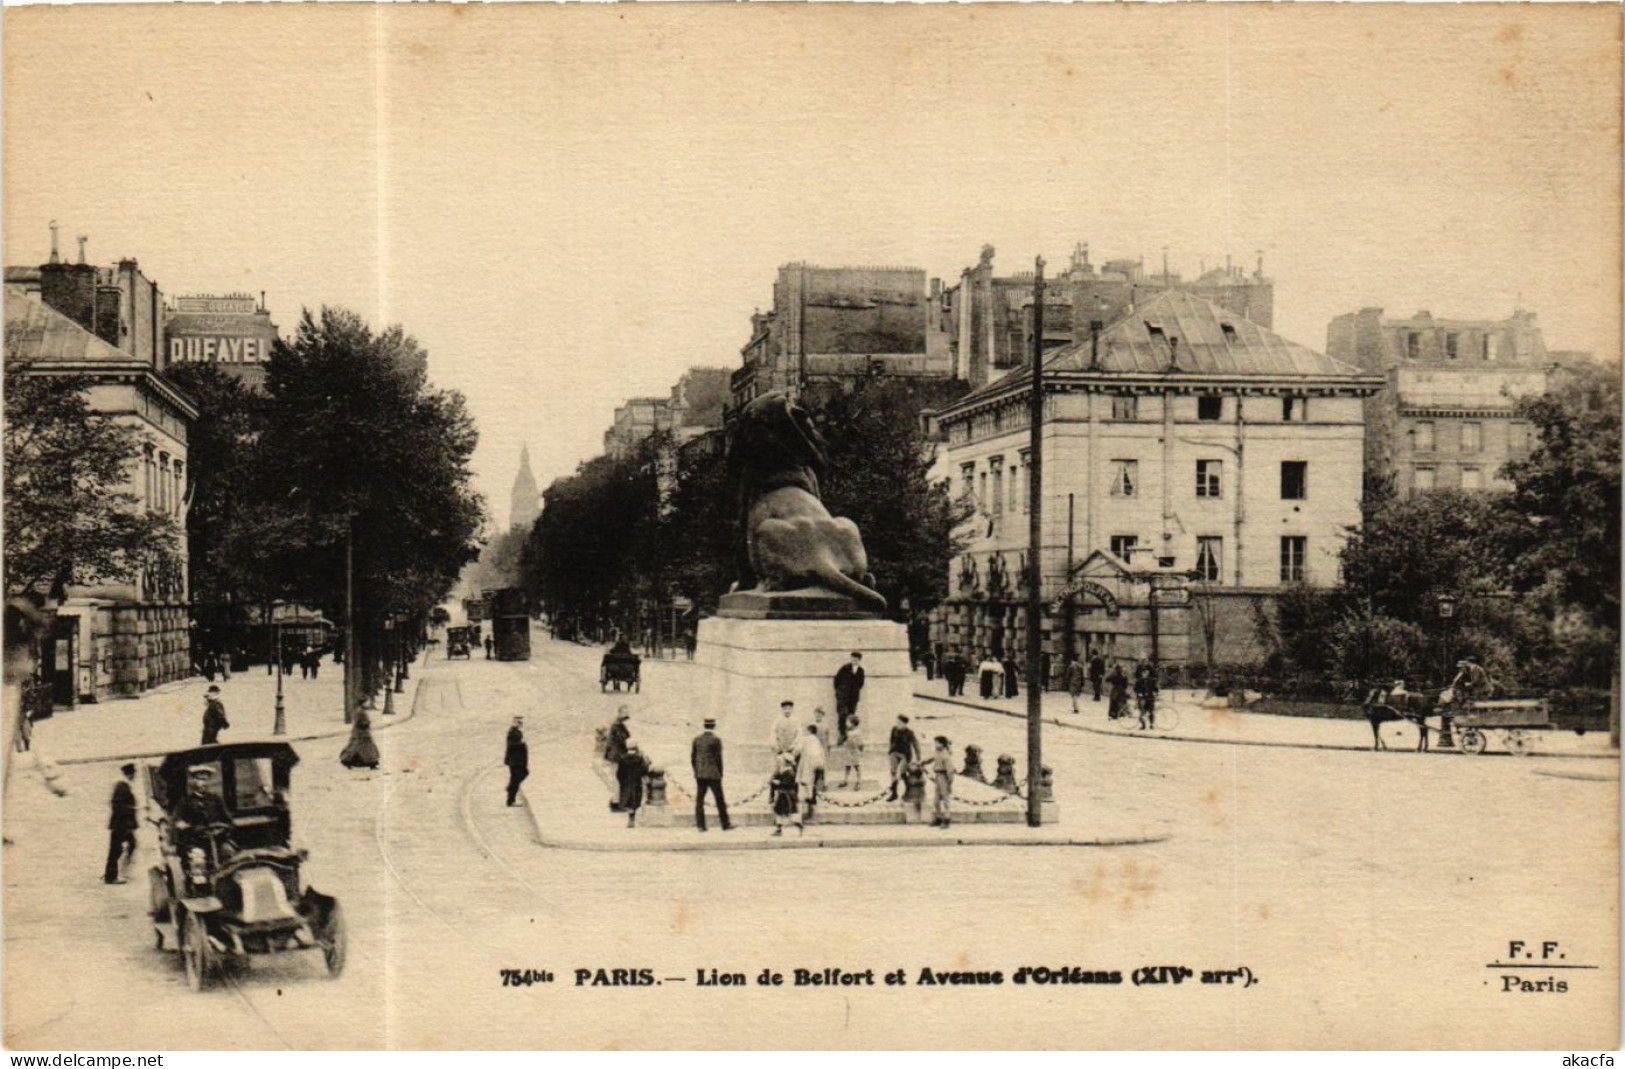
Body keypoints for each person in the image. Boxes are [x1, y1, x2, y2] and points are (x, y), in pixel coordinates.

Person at [690, 718, 731, 832]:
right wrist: (720, 773)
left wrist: (696, 771)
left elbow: (693, 758)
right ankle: (725, 824)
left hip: (700, 774)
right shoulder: (716, 740)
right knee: (720, 800)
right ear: (714, 726)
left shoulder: (697, 740)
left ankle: (700, 826)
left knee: (699, 800)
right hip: (713, 774)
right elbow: (719, 759)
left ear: (704, 726)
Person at [104, 763, 138, 884]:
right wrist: (128, 823)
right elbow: (118, 806)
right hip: (121, 825)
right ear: (129, 774)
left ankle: (115, 873)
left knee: (126, 846)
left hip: (121, 824)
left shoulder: (123, 786)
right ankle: (112, 876)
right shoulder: (122, 787)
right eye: (133, 773)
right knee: (117, 849)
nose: (135, 776)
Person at [794, 722, 826, 822]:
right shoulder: (817, 741)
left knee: (807, 787)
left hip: (808, 765)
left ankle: (808, 812)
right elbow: (821, 753)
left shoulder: (806, 739)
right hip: (818, 765)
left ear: (809, 731)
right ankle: (812, 810)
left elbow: (798, 750)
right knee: (813, 786)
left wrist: (792, 756)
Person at [886, 714, 919, 801]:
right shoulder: (894, 729)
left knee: (901, 773)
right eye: (897, 722)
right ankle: (894, 793)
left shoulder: (910, 733)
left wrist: (918, 758)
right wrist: (890, 750)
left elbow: (916, 745)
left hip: (904, 754)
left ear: (905, 723)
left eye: (900, 723)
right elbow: (891, 740)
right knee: (893, 772)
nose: (898, 724)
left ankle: (908, 789)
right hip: (894, 752)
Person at [603, 708, 631, 811]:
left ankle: (616, 800)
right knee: (617, 780)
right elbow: (624, 740)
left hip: (615, 756)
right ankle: (616, 802)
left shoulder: (617, 725)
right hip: (617, 757)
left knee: (617, 778)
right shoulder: (617, 727)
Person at [833, 652, 864, 744]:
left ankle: (850, 736)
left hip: (853, 698)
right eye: (853, 658)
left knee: (851, 717)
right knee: (842, 715)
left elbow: (861, 683)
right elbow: (836, 680)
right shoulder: (845, 668)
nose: (855, 661)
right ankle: (842, 735)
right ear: (851, 658)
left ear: (859, 660)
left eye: (857, 659)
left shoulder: (861, 671)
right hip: (843, 697)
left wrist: (854, 690)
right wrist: (840, 692)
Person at [617, 741, 649, 827]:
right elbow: (644, 770)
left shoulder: (623, 758)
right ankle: (632, 817)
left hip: (626, 783)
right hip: (636, 782)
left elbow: (619, 773)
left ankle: (630, 816)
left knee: (627, 799)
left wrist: (622, 782)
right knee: (635, 800)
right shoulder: (639, 758)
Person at [928, 736, 955, 828]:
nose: (935, 745)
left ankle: (947, 820)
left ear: (942, 744)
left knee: (945, 800)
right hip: (938, 777)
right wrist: (921, 762)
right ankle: (938, 818)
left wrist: (949, 782)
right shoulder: (937, 753)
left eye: (937, 743)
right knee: (936, 801)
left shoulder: (945, 755)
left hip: (943, 777)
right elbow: (931, 758)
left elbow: (950, 770)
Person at [770, 755, 800, 837]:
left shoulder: (790, 772)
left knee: (786, 812)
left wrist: (778, 783)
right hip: (783, 795)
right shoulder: (784, 771)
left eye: (780, 762)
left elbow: (788, 784)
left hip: (786, 795)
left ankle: (794, 828)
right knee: (780, 812)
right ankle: (780, 828)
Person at [503, 718, 529, 805]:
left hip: (517, 761)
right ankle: (511, 799)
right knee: (516, 779)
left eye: (521, 722)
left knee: (520, 776)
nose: (520, 724)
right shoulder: (512, 732)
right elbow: (510, 745)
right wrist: (522, 744)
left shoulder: (516, 732)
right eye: (519, 722)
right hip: (515, 761)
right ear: (515, 723)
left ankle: (510, 790)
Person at [840, 714, 864, 789]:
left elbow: (860, 743)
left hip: (855, 751)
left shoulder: (857, 732)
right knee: (847, 766)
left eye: (848, 722)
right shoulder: (848, 732)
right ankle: (846, 780)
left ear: (853, 723)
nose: (846, 724)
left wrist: (861, 751)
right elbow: (847, 740)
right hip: (849, 751)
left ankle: (859, 782)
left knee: (857, 766)